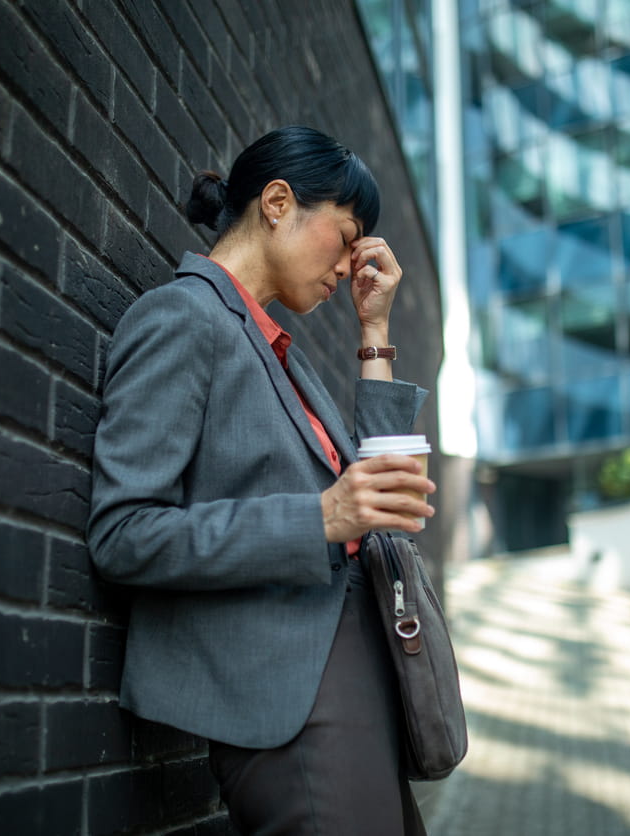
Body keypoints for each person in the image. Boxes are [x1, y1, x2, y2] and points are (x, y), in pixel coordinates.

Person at [87, 125, 436, 835]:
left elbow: (373, 481)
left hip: (350, 672)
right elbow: (122, 535)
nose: (348, 264)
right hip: (284, 700)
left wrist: (375, 329)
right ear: (278, 203)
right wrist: (320, 520)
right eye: (344, 237)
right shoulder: (181, 318)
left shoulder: (278, 351)